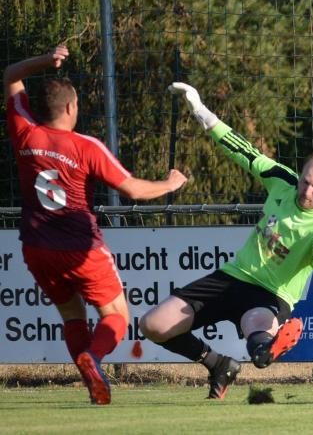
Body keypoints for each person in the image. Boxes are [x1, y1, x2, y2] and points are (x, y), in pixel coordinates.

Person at [140, 82, 313, 400]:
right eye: (305, 182)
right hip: (232, 277)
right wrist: (202, 112)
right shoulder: (283, 181)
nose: (306, 192)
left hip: (270, 294)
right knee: (153, 325)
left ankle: (266, 348)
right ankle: (219, 364)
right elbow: (244, 152)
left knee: (258, 342)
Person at [3, 45, 188, 405]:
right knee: (117, 314)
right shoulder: (86, 146)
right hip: (81, 247)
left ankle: (90, 373)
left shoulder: (25, 132)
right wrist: (170, 183)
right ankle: (94, 359)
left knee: (72, 314)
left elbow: (11, 74)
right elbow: (132, 189)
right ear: (71, 108)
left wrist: (46, 60)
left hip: (36, 247)